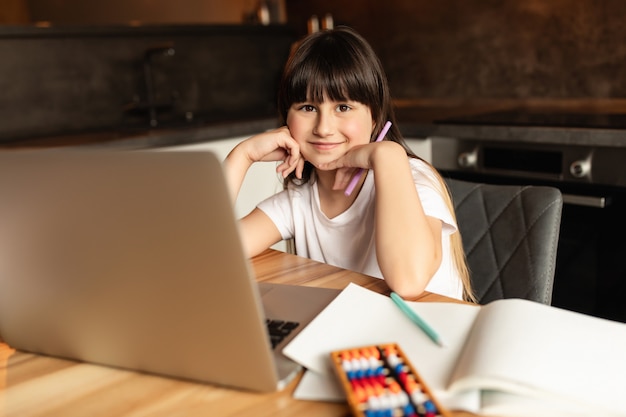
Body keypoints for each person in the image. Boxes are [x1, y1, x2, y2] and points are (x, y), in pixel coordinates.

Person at [224, 26, 474, 301]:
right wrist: (243, 155)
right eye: (308, 107)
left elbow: (409, 281)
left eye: (343, 107)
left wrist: (387, 155)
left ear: (375, 117)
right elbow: (205, 252)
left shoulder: (412, 179)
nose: (324, 128)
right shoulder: (301, 197)